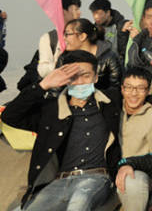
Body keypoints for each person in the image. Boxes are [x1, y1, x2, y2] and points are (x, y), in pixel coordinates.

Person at [2, 50, 122, 210]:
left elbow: (140, 94)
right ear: (65, 80)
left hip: (96, 179)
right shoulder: (52, 111)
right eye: (74, 77)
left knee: (78, 204)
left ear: (95, 77)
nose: (80, 82)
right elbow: (10, 116)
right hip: (58, 183)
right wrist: (43, 85)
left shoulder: (111, 102)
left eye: (86, 76)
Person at [117, 67, 152, 211]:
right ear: (122, 89)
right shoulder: (113, 110)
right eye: (129, 87)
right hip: (112, 177)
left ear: (147, 91)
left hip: (138, 178)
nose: (134, 93)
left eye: (140, 88)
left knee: (133, 180)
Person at [60, 18, 122, 90]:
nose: (64, 38)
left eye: (67, 34)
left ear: (82, 36)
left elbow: (115, 87)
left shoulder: (109, 57)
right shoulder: (63, 58)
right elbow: (56, 89)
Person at [36, 0, 82, 79]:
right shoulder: (49, 38)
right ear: (63, 12)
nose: (79, 13)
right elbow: (43, 70)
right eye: (75, 9)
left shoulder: (84, 35)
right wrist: (60, 64)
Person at [89, 0, 132, 66]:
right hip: (101, 66)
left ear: (108, 13)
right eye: (94, 14)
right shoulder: (93, 30)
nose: (96, 17)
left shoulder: (123, 26)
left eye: (99, 13)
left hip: (121, 65)